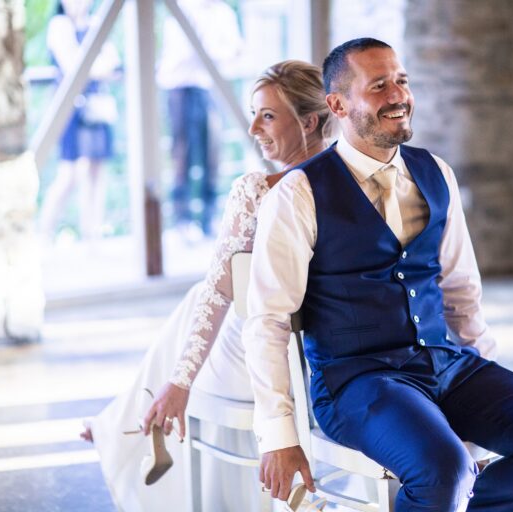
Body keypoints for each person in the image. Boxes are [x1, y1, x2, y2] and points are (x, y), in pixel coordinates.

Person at [243, 38, 513, 511]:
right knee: (443, 471)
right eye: (379, 86)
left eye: (402, 81)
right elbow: (267, 319)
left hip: (447, 365)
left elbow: (461, 291)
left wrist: (489, 375)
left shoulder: (435, 172)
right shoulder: (299, 192)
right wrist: (278, 435)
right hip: (357, 383)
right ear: (337, 105)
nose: (398, 96)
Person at [81, 60, 332, 512]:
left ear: (310, 122)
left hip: (264, 364)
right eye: (254, 115)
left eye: (267, 116)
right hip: (322, 358)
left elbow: (219, 293)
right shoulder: (355, 181)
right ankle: (124, 416)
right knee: (202, 299)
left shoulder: (259, 189)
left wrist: (181, 382)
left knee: (204, 296)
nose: (253, 128)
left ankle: (133, 419)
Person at [156, 0, 243, 238]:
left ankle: (209, 219)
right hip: (180, 87)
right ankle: (182, 220)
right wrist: (215, 52)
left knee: (212, 153)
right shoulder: (181, 8)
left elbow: (236, 50)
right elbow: (181, 53)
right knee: (181, 155)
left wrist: (211, 53)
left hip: (210, 87)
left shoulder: (223, 12)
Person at [39, 0, 120, 241]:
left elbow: (113, 61)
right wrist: (99, 68)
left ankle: (92, 234)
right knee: (70, 174)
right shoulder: (59, 26)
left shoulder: (94, 23)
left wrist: (98, 68)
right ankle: (44, 233)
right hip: (70, 110)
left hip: (95, 107)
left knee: (97, 170)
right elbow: (75, 66)